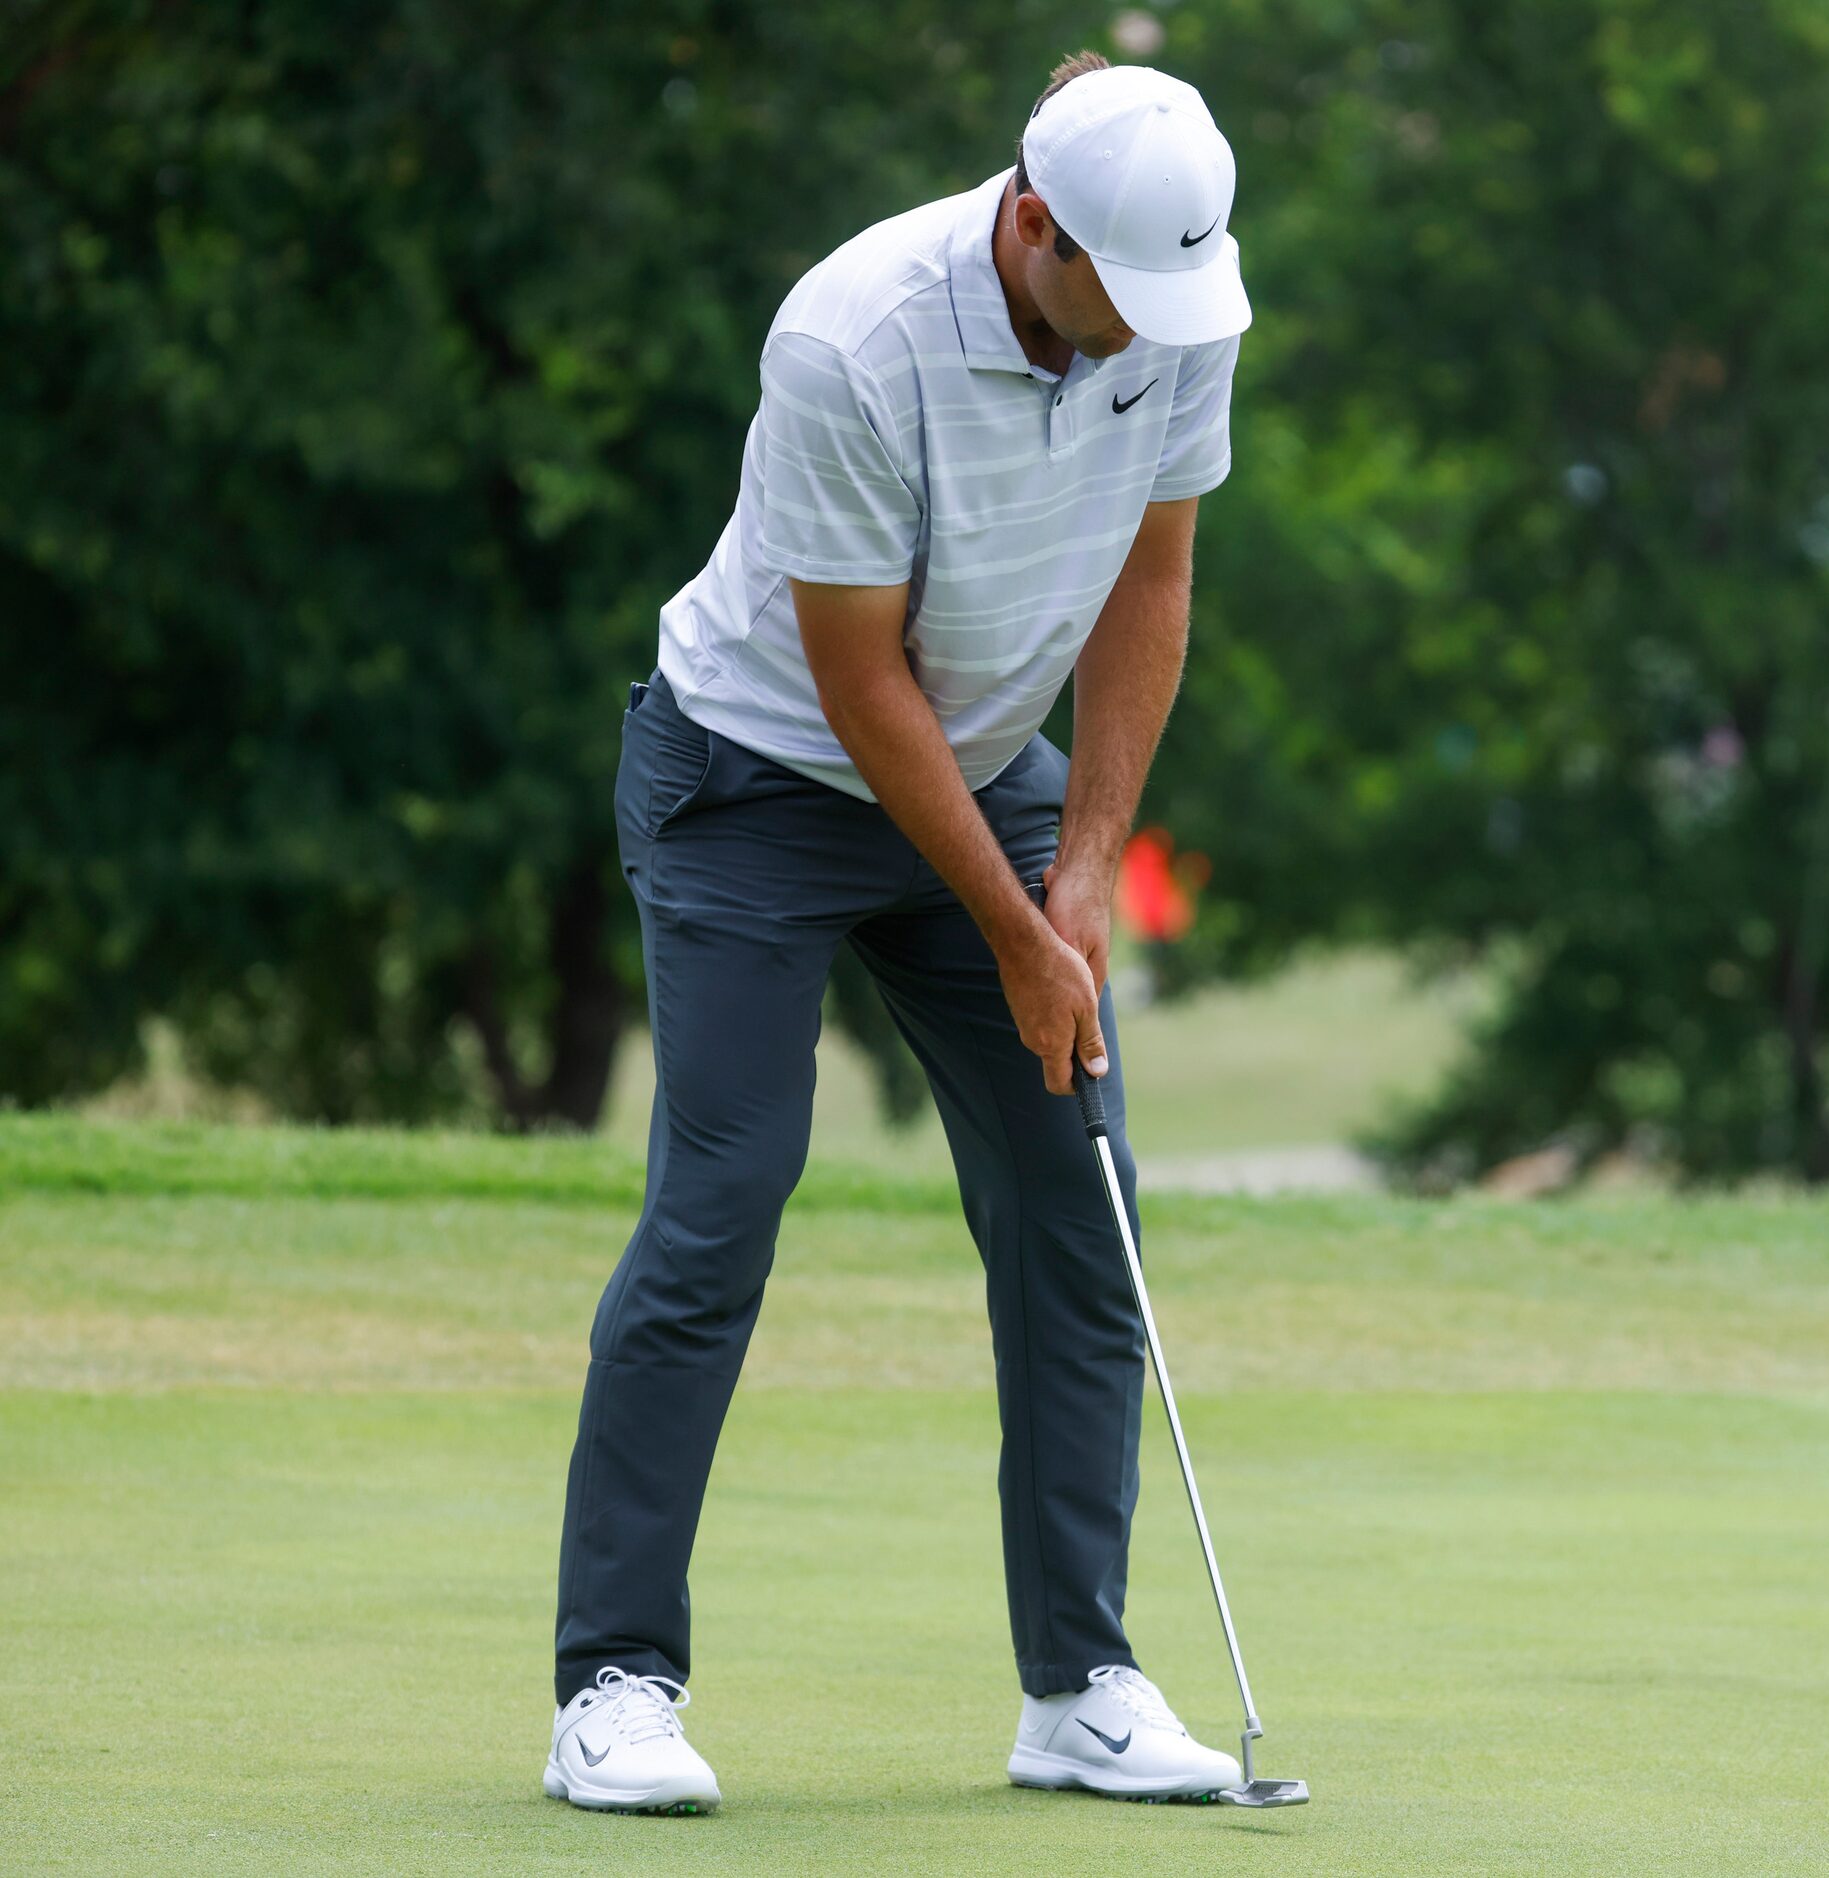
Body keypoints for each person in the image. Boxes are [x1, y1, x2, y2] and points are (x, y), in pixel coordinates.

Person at [541, 53, 1252, 1814]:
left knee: (1078, 1188)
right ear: (1032, 227)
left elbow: (1152, 584)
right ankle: (611, 1686)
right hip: (756, 777)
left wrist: (1083, 873)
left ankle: (1079, 1680)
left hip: (990, 766)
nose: (1146, 338)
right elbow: (861, 683)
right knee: (724, 1193)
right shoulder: (852, 338)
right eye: (1115, 304)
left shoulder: (1177, 296)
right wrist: (1013, 924)